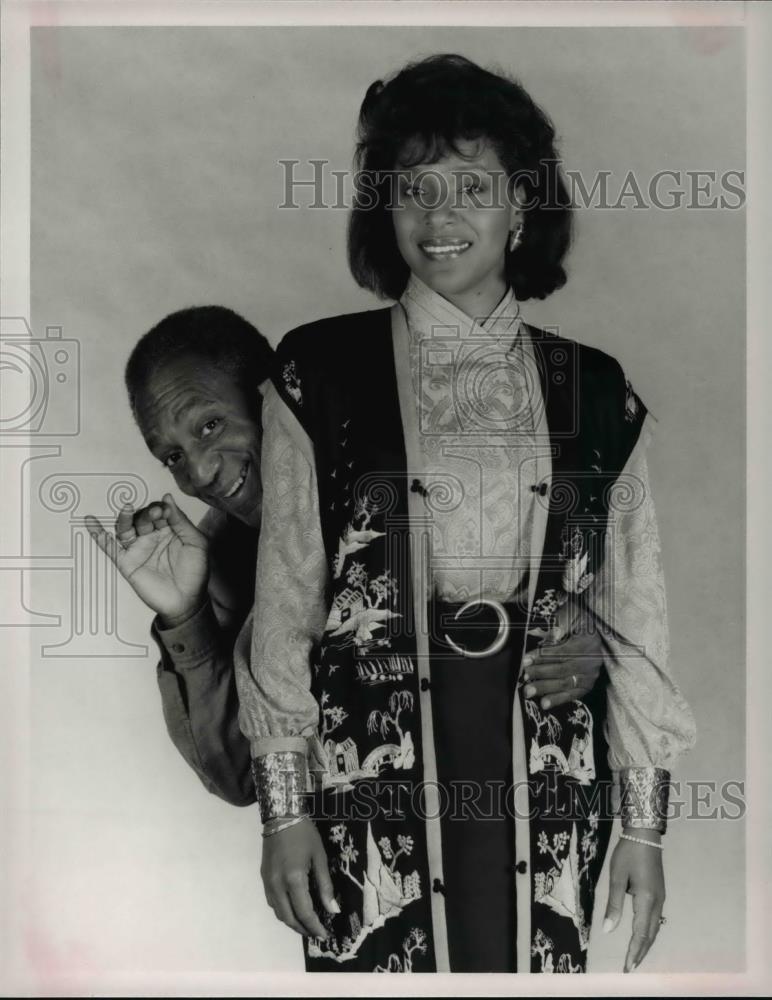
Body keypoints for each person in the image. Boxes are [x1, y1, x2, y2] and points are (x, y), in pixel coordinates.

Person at [235, 54, 697, 975]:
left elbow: (635, 621)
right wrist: (284, 812)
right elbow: (287, 603)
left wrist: (644, 830)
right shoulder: (318, 375)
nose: (440, 219)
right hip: (375, 768)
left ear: (521, 206)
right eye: (414, 189)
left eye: (471, 188)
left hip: (546, 761)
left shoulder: (595, 391)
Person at [86, 305, 273, 806]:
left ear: (270, 397)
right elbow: (243, 778)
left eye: (209, 425)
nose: (200, 474)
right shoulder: (220, 554)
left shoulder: (388, 486)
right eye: (173, 457)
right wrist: (186, 615)